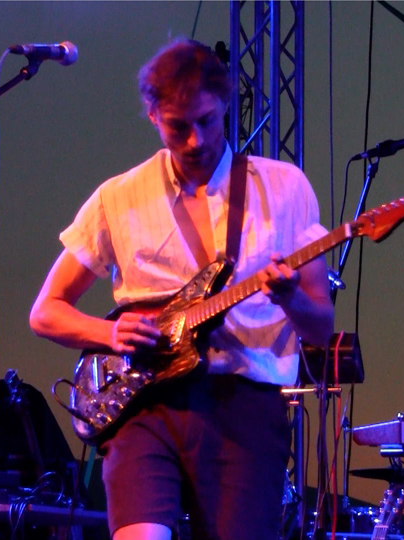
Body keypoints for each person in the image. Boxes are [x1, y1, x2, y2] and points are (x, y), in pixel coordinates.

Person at [29, 38, 334, 540]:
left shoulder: (285, 188)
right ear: (153, 116)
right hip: (146, 405)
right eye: (177, 127)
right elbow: (46, 311)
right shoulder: (118, 197)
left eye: (207, 121)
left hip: (245, 406)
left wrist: (289, 298)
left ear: (226, 105)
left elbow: (320, 327)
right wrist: (110, 334)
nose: (195, 141)